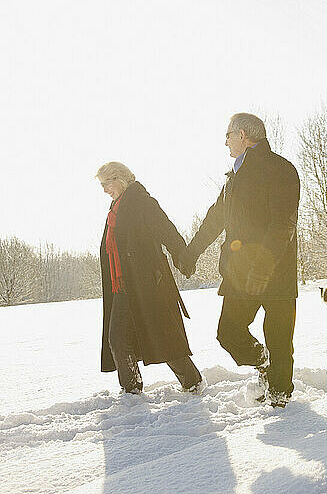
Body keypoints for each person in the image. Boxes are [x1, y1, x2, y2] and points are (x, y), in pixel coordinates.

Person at [180, 113, 300, 408]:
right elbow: (214, 219)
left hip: (276, 274)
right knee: (229, 333)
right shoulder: (234, 178)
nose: (225, 142)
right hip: (240, 274)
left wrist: (263, 267)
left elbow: (282, 224)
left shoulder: (280, 170)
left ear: (243, 136)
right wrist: (191, 252)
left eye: (228, 135)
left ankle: (280, 401)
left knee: (279, 341)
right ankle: (265, 365)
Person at [96, 161, 202, 395]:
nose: (104, 189)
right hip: (122, 286)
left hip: (146, 283)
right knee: (117, 339)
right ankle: (131, 390)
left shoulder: (141, 202)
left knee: (162, 335)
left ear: (120, 179)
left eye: (107, 183)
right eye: (102, 185)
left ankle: (192, 382)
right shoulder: (115, 209)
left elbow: (167, 231)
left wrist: (183, 258)